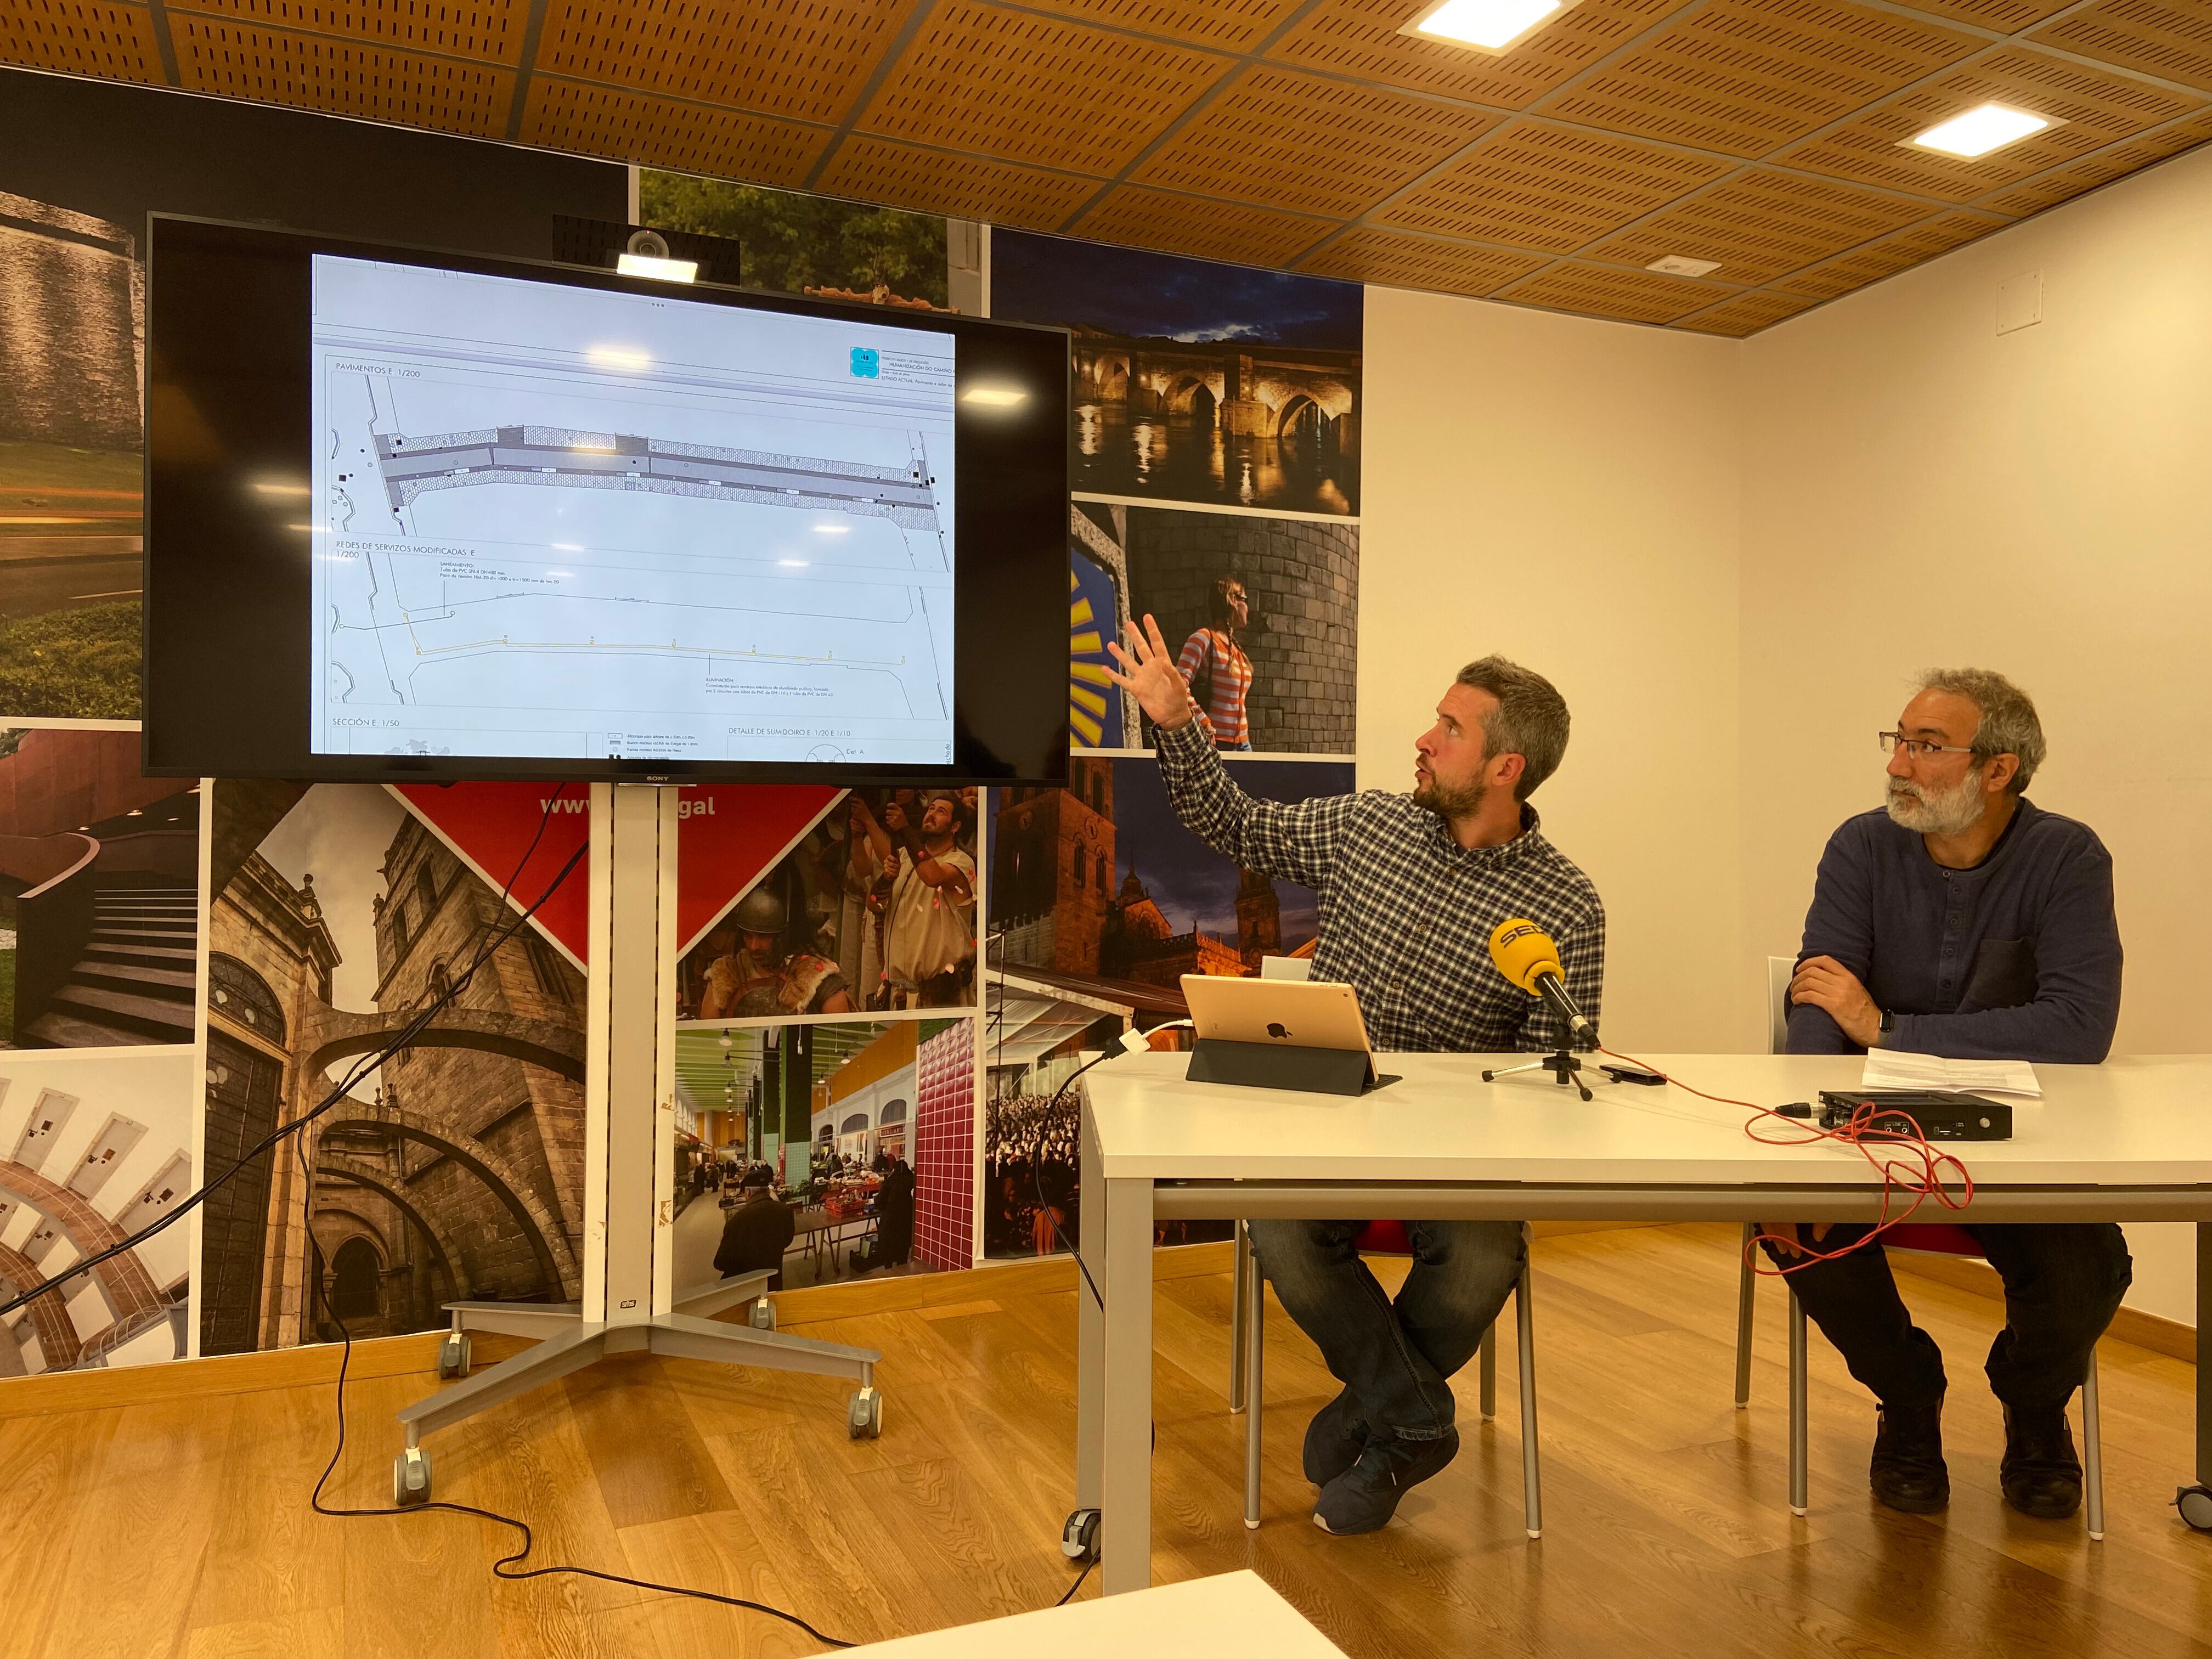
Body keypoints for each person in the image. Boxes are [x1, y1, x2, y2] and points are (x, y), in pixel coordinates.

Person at [1107, 623, 1605, 1535]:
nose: (1423, 739)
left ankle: (1369, 1416)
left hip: (1460, 1146)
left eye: (1449, 729)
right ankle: (1413, 1418)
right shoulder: (1369, 823)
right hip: (1329, 1122)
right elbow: (1235, 823)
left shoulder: (1566, 904)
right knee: (1285, 1232)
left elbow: (1556, 1073)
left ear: (1505, 767)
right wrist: (1179, 723)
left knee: (1486, 1257)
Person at [1763, 668, 2129, 1522]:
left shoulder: (2069, 857)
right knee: (1792, 1224)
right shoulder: (1861, 846)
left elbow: (2077, 1028)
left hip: (2023, 1138)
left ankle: (2033, 1408)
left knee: (2091, 1265)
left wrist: (1888, 1030)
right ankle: (1909, 1394)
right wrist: (1821, 1123)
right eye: (1898, 740)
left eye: (1927, 747)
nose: (1899, 765)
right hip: (1877, 1129)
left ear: (1997, 771)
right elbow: (1822, 1001)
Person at [854, 792, 976, 1007]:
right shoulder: (903, 857)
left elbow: (933, 877)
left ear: (955, 827)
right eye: (931, 809)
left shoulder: (962, 862)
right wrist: (886, 879)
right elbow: (873, 903)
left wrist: (904, 829)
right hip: (897, 994)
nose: (932, 814)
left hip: (940, 997)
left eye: (941, 812)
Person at [698, 888, 854, 1018]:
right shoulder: (726, 975)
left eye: (763, 937)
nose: (754, 946)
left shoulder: (818, 978)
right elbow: (707, 1043)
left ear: (781, 936)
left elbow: (840, 1042)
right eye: (748, 936)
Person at [1175, 574, 1255, 751]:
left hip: (1243, 743)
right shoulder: (1203, 639)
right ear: (1234, 600)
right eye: (1245, 600)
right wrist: (1203, 721)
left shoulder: (1235, 647)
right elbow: (1178, 685)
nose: (1248, 608)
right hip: (1215, 743)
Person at [713, 1165, 797, 1290]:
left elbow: (721, 1263)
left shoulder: (738, 1220)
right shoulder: (785, 1211)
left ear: (748, 1192)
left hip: (744, 1287)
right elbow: (787, 1240)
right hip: (773, 1282)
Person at [851, 1157, 917, 1273]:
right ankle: (902, 1272)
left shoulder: (888, 1183)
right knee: (903, 1250)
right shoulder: (912, 1181)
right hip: (905, 1222)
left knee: (888, 1251)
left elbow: (879, 1203)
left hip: (889, 1222)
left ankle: (889, 1272)